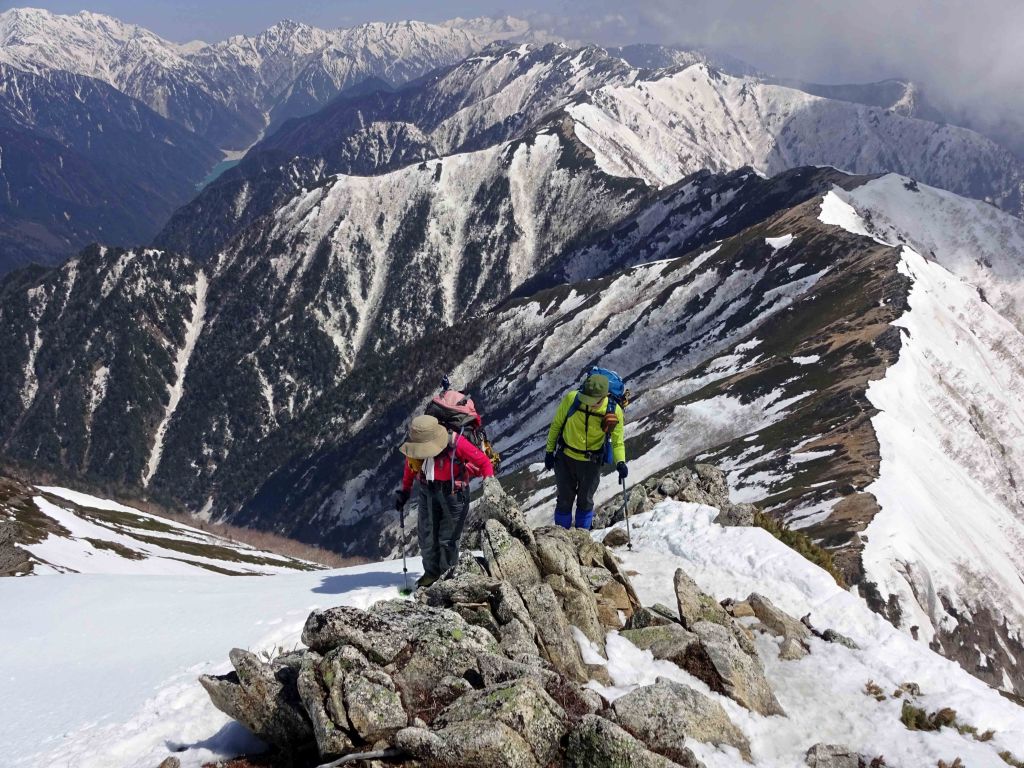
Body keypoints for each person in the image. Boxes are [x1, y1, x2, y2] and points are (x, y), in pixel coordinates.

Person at [396, 414, 494, 587]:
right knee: (427, 536)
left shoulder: (456, 442)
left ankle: (447, 580)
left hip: (454, 494)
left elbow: (484, 463)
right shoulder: (418, 446)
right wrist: (405, 491)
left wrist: (491, 488)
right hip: (428, 490)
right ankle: (431, 574)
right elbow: (410, 467)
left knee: (447, 539)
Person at [544, 373, 627, 530]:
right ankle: (562, 539)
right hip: (565, 458)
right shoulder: (572, 399)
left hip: (591, 463)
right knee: (564, 500)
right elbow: (556, 425)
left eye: (593, 400)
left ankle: (583, 537)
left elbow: (617, 442)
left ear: (605, 396)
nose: (588, 403)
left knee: (585, 501)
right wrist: (549, 451)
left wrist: (621, 462)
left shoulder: (614, 410)